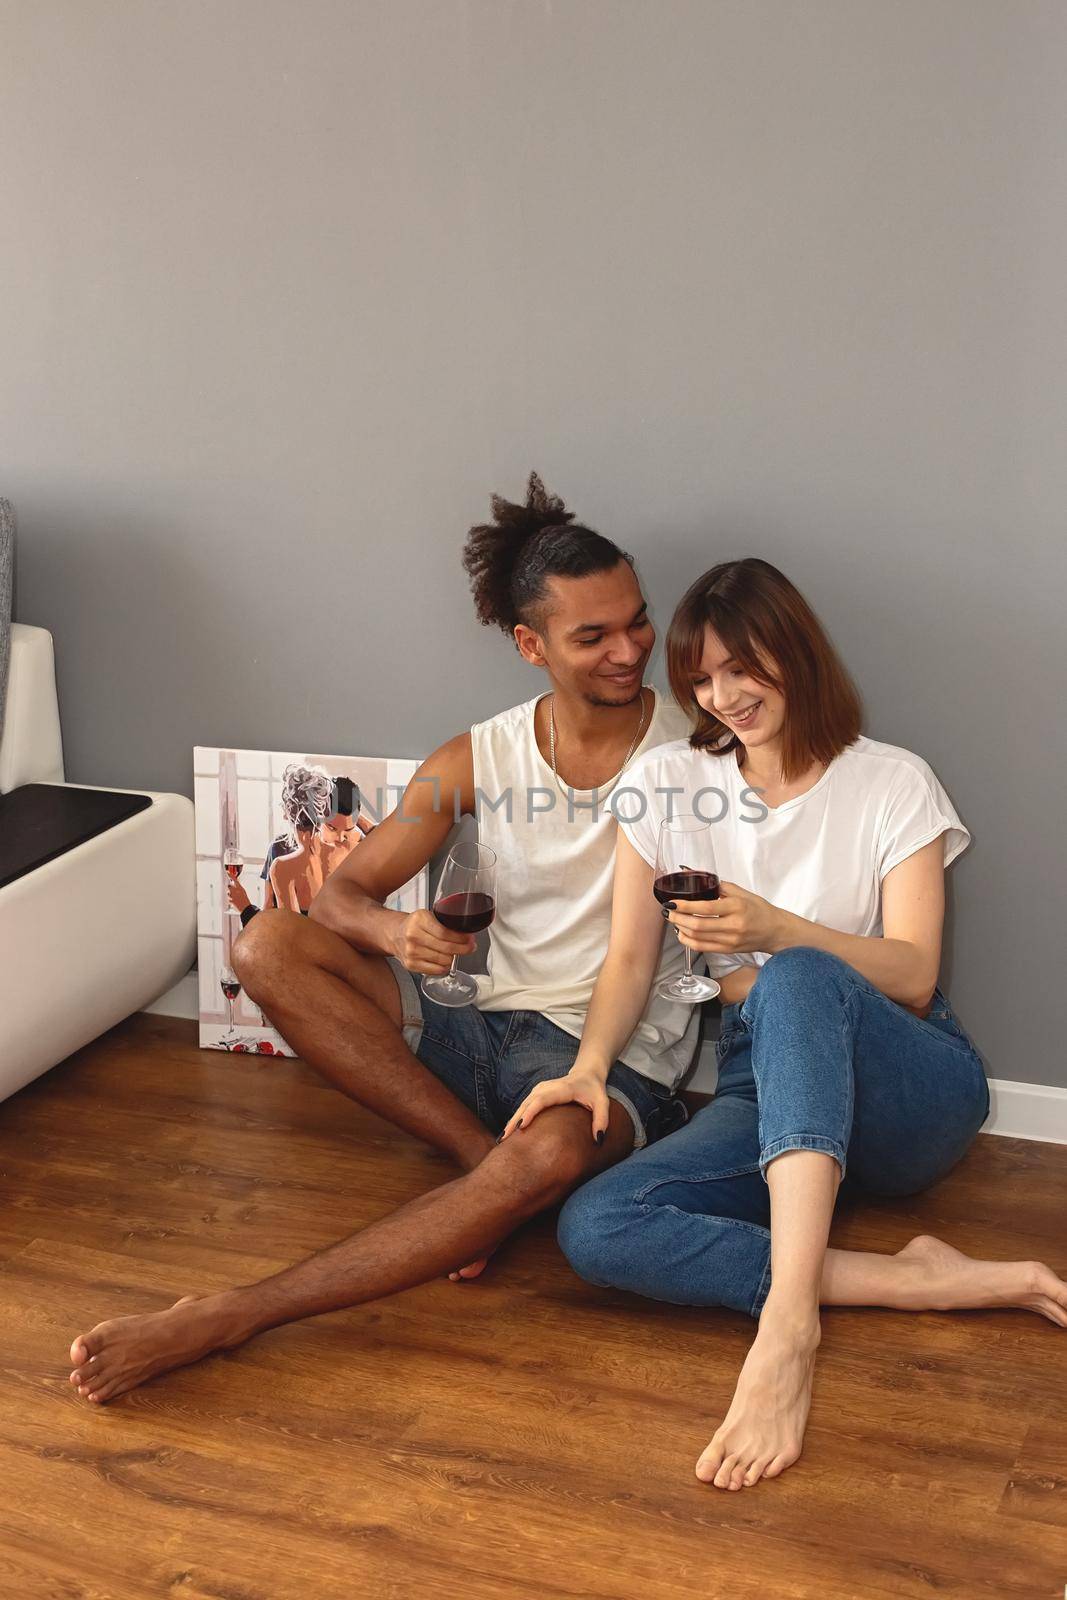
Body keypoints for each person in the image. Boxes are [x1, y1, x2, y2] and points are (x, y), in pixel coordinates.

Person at [67, 472, 697, 1403]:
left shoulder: (695, 750)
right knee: (265, 945)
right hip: (474, 1029)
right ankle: (476, 1166)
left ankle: (232, 1314)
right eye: (592, 635)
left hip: (605, 1061)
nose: (629, 650)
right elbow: (337, 902)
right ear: (530, 645)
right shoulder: (477, 757)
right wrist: (395, 928)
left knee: (555, 1156)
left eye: (636, 621)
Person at [499, 556, 1067, 1493]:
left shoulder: (891, 782)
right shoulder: (669, 782)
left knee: (796, 976)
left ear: (793, 653)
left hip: (908, 1087)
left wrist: (775, 932)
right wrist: (590, 1068)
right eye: (701, 677)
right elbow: (632, 959)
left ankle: (786, 1331)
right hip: (764, 1083)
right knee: (597, 1226)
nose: (722, 695)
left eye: (742, 668)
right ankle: (913, 1279)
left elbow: (915, 980)